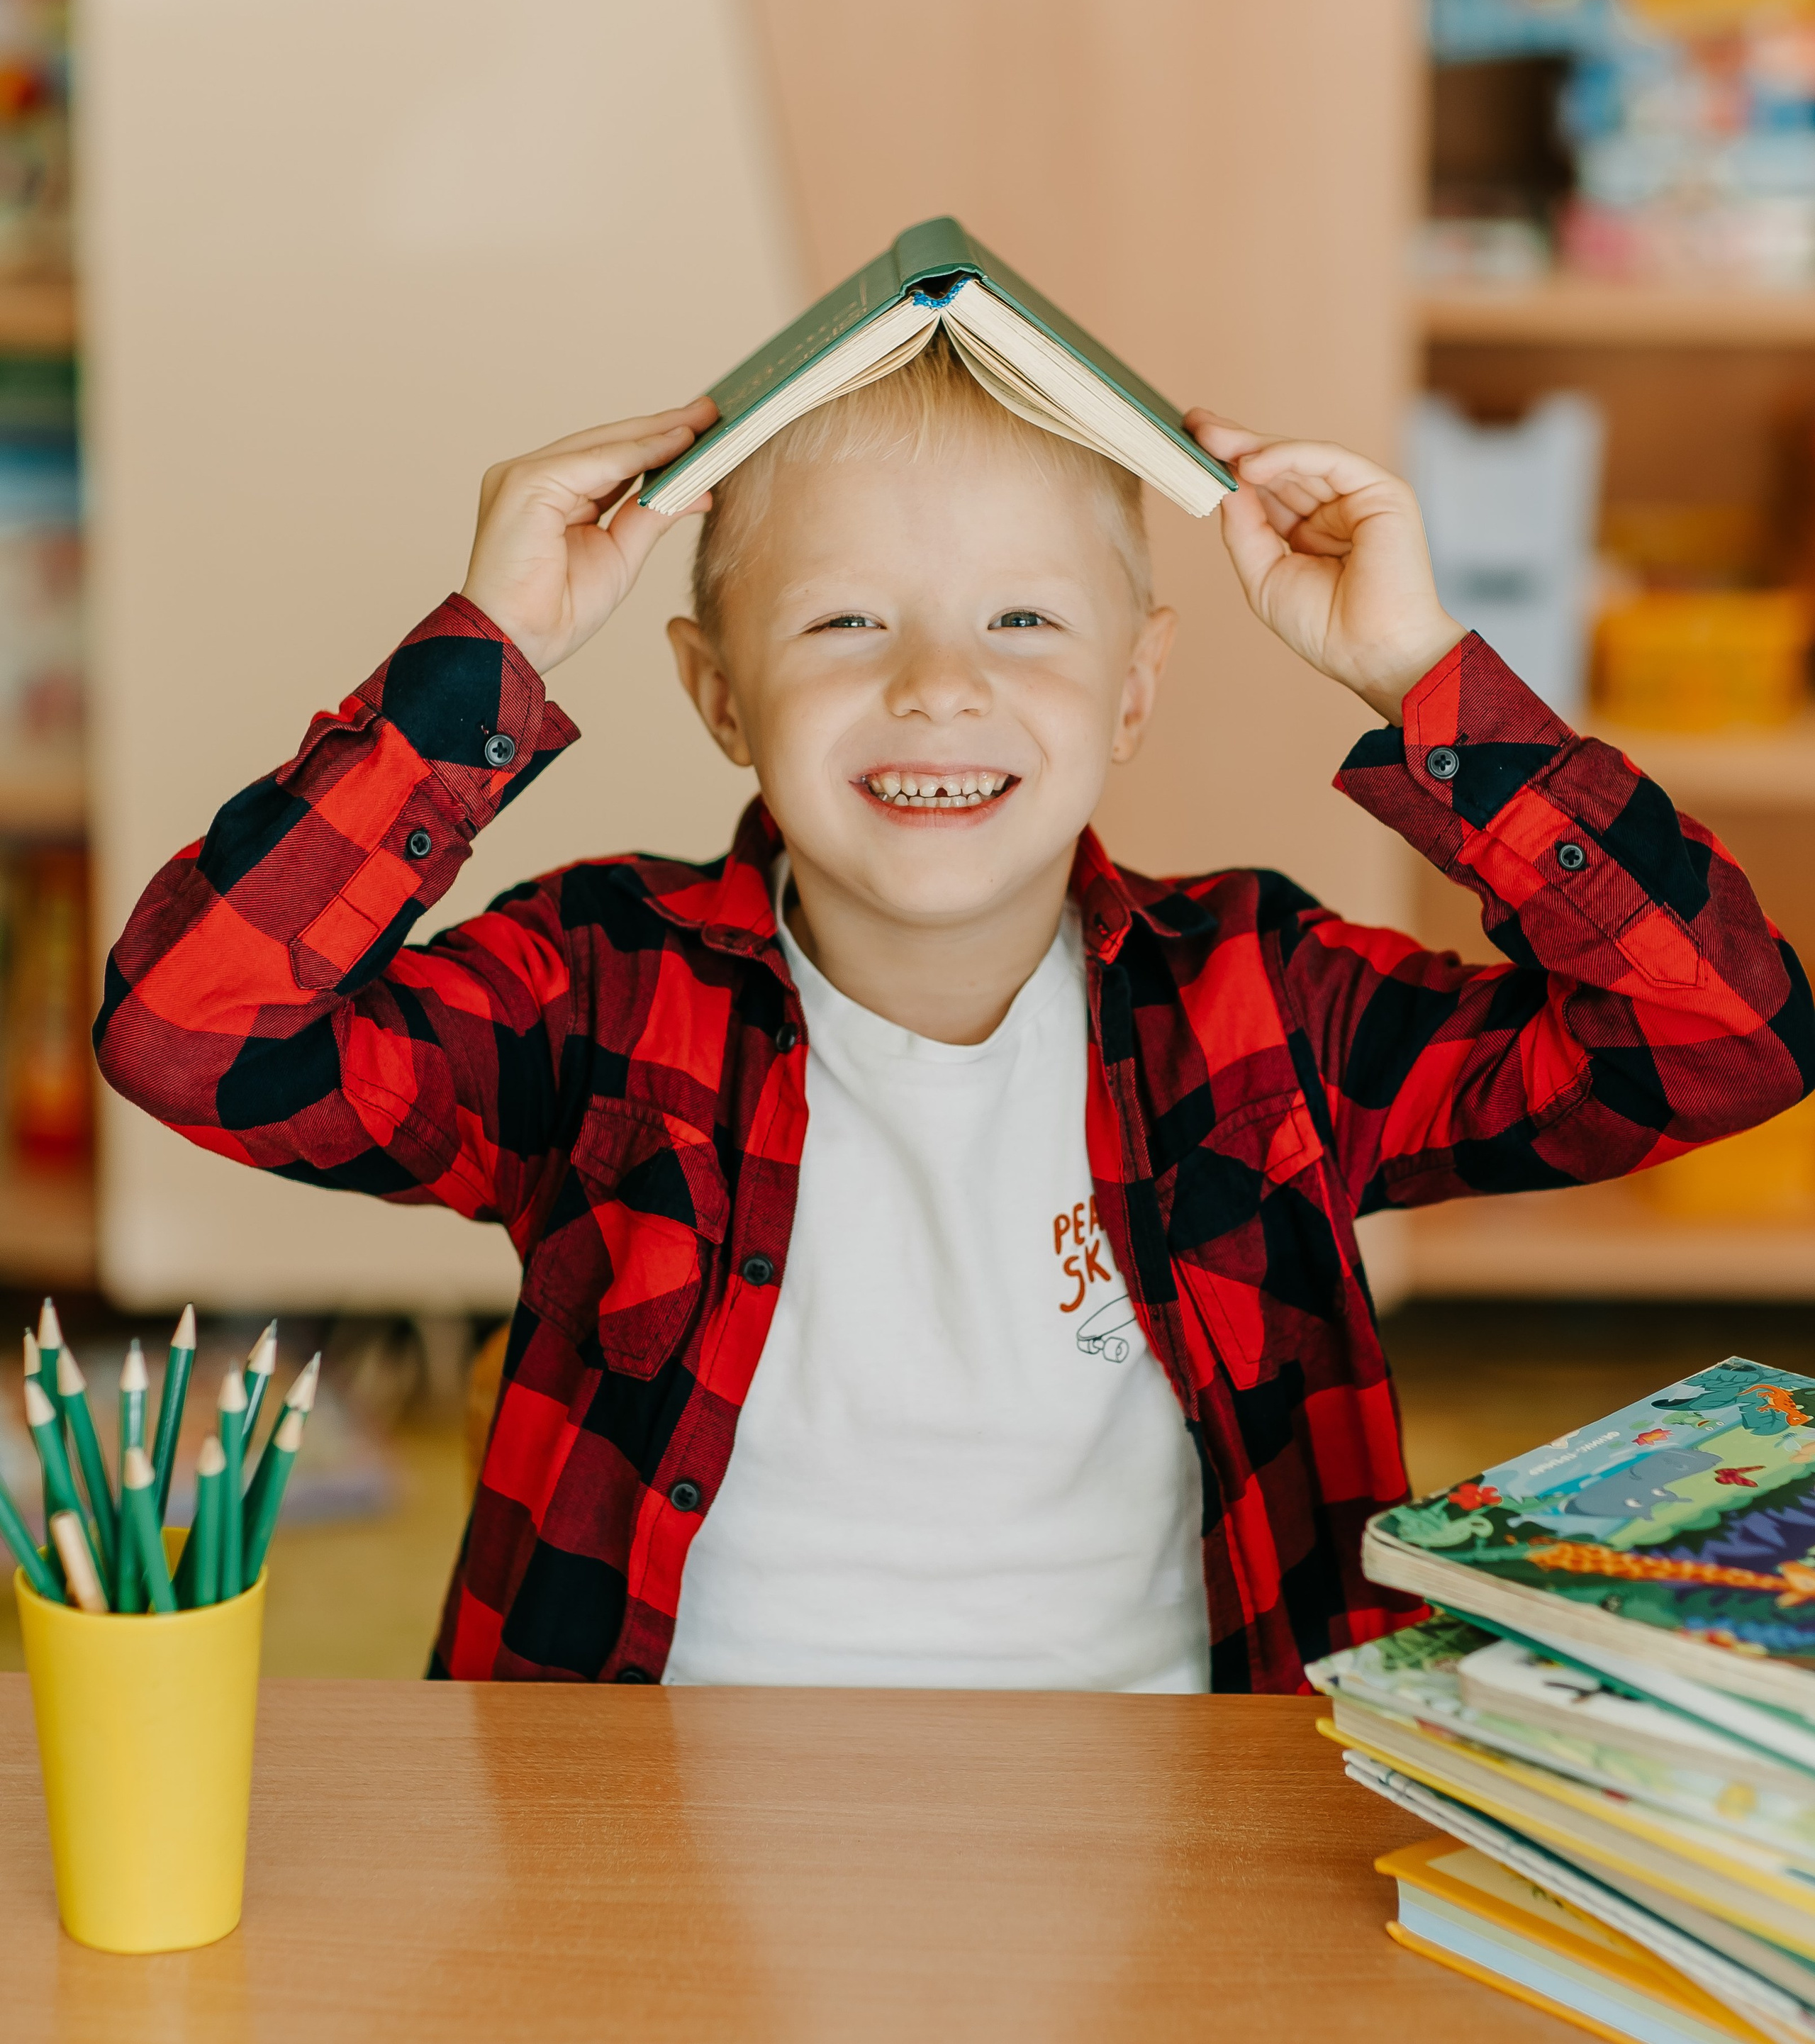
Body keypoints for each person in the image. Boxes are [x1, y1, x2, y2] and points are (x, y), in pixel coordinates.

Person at [94, 337, 1812, 1692]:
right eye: (845, 620)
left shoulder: (1256, 1002)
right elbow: (194, 1027)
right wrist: (488, 648)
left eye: (1022, 620)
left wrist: (1417, 669)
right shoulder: (602, 990)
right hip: (638, 1824)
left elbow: (1719, 1035)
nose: (938, 684)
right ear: (716, 695)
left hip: (1187, 1836)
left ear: (1131, 687)